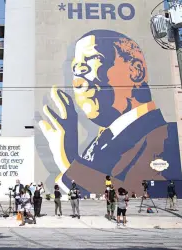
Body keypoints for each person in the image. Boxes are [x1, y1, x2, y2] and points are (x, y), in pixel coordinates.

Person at [39, 30, 182, 197]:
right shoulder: (101, 140)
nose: (78, 82)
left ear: (136, 71)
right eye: (75, 69)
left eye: (91, 61)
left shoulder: (166, 138)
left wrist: (68, 160)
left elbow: (133, 194)